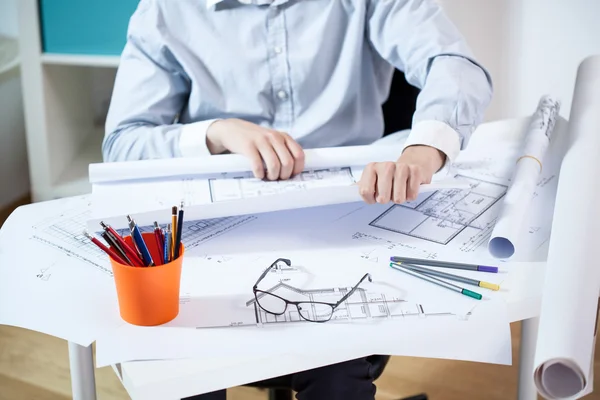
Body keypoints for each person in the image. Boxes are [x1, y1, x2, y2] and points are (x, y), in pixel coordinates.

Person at [103, 0, 493, 399]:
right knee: (185, 364)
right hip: (220, 234)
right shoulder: (167, 10)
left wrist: (424, 150)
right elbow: (122, 142)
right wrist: (217, 133)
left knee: (335, 365)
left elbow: (453, 63)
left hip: (346, 222)